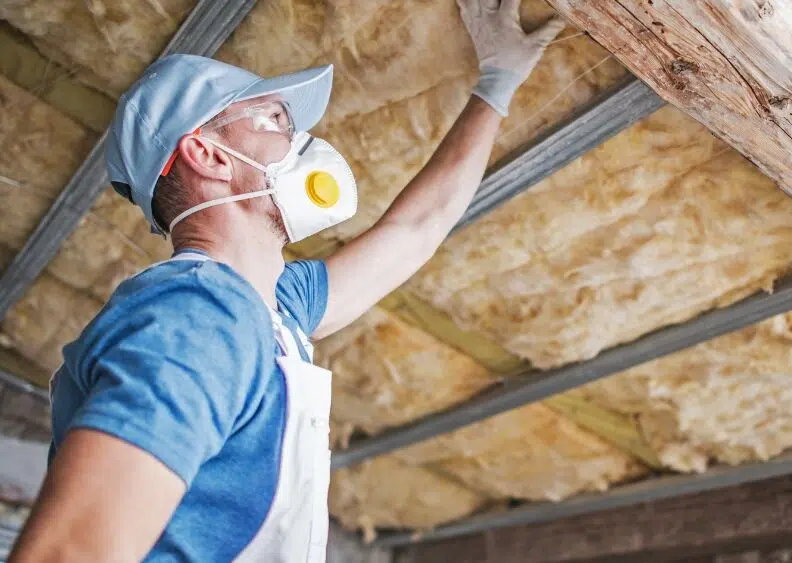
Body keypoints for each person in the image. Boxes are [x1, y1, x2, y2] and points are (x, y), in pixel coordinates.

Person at [8, 1, 564, 560]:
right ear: (207, 155)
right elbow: (68, 552)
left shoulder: (271, 312)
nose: (301, 140)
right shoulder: (197, 316)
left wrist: (497, 83)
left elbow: (415, 230)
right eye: (273, 120)